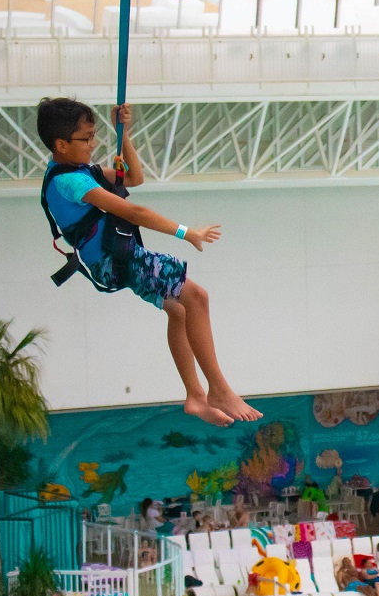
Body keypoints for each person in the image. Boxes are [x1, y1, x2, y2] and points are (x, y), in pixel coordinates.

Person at [36, 98, 259, 426]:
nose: (93, 144)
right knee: (197, 297)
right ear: (61, 144)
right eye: (86, 139)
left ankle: (196, 397)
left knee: (179, 310)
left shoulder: (79, 172)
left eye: (95, 136)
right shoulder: (70, 182)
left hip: (112, 262)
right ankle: (219, 389)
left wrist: (122, 134)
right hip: (116, 260)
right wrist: (187, 233)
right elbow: (133, 211)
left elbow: (134, 178)